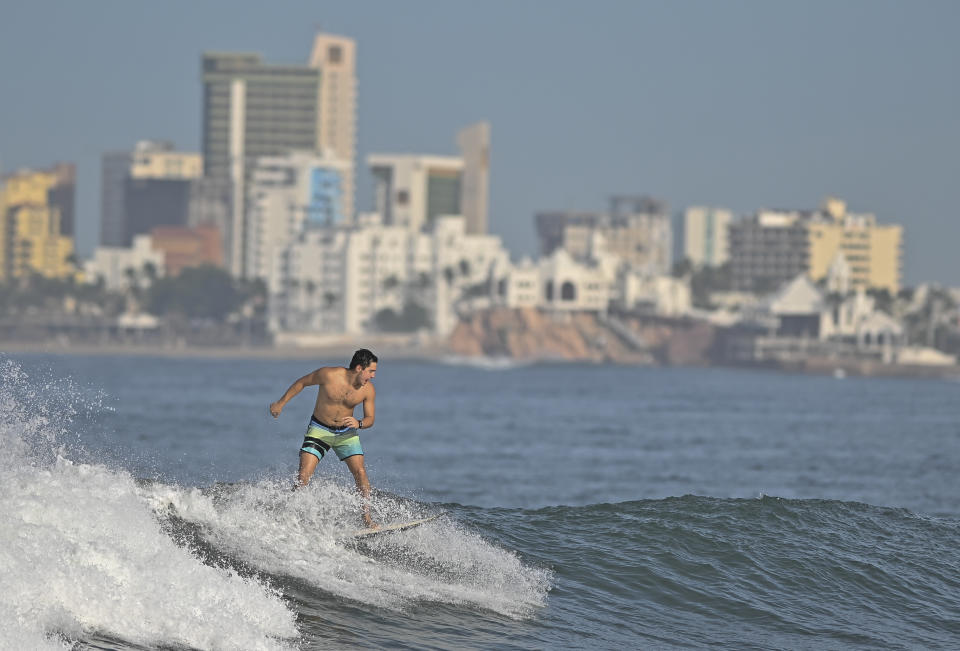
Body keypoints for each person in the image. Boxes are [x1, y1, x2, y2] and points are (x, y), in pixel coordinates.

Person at [269, 349, 378, 526]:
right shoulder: (328, 374)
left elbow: (370, 419)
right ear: (359, 368)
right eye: (371, 371)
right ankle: (287, 516)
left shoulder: (368, 390)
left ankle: (366, 518)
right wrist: (280, 403)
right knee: (303, 476)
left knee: (360, 472)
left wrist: (358, 423)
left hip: (346, 435)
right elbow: (302, 383)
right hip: (319, 430)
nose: (373, 376)